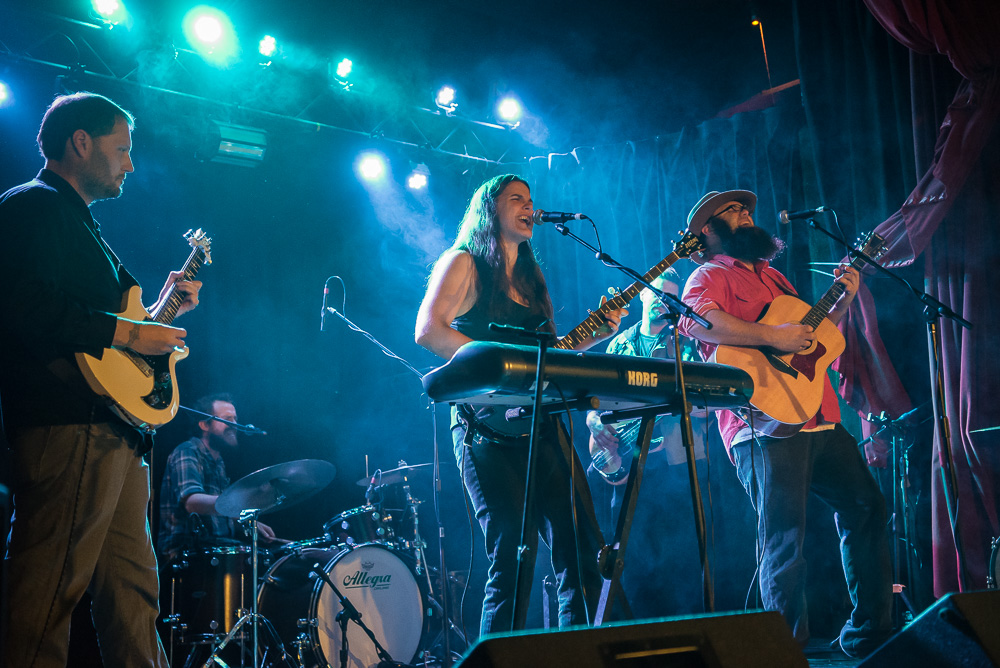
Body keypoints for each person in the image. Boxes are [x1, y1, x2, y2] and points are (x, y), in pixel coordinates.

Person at [0, 92, 201, 668]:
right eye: (122, 149)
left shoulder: (79, 223)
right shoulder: (31, 205)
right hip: (67, 423)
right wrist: (133, 333)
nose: (130, 164)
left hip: (112, 430)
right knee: (46, 596)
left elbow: (101, 335)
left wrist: (157, 312)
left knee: (135, 599)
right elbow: (21, 304)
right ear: (81, 142)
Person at [676, 190, 893, 658]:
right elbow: (698, 323)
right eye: (733, 210)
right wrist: (772, 336)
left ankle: (870, 634)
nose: (745, 213)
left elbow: (811, 339)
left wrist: (842, 302)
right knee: (784, 536)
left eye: (746, 208)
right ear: (708, 230)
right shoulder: (709, 274)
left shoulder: (775, 277)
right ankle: (785, 653)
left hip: (818, 414)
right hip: (761, 421)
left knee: (867, 506)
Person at [415, 174, 626, 635]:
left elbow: (548, 361)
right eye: (517, 199)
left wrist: (598, 334)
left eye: (531, 200)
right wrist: (499, 372)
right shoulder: (464, 262)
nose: (530, 207)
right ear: (490, 209)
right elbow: (429, 331)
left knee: (582, 548)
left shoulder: (531, 278)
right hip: (484, 427)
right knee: (513, 553)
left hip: (541, 424)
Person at [584, 269, 710, 618]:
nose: (661, 302)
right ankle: (633, 626)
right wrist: (593, 421)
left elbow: (702, 403)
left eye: (670, 298)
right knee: (628, 551)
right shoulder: (618, 343)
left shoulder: (683, 344)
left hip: (673, 462)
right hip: (626, 461)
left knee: (679, 553)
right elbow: (596, 398)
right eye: (656, 293)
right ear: (641, 295)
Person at [158, 393, 277, 559]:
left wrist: (248, 524)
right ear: (204, 425)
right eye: (227, 419)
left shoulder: (218, 462)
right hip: (185, 555)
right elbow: (192, 503)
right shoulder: (187, 451)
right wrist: (243, 500)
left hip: (214, 551)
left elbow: (217, 512)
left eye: (235, 419)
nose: (234, 425)